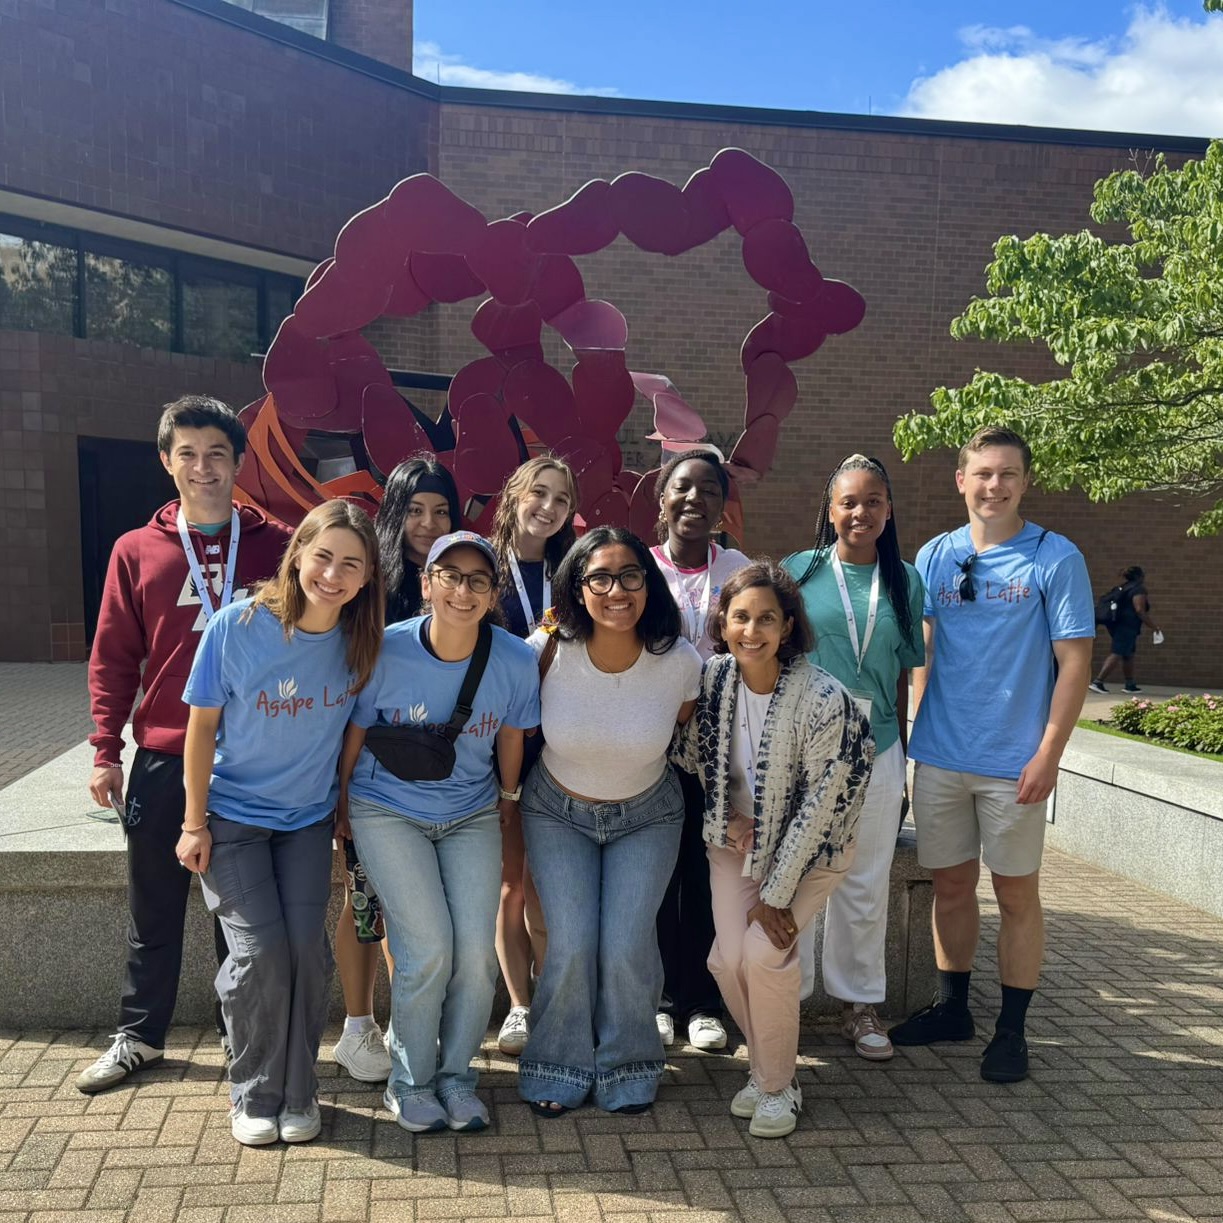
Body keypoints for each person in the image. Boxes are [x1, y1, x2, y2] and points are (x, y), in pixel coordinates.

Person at [78, 395, 290, 1095]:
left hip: (252, 757)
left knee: (245, 910)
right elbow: (112, 655)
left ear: (238, 462)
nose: (204, 467)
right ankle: (140, 1034)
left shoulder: (277, 544)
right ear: (166, 460)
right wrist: (106, 747)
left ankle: (245, 1035)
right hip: (167, 755)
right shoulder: (135, 551)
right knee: (156, 902)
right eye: (189, 454)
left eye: (218, 454)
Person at [889, 427, 1094, 1084]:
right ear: (960, 480)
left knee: (1014, 893)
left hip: (1014, 762)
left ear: (1024, 482)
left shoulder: (1054, 557)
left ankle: (1011, 1028)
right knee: (949, 885)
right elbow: (920, 646)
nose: (993, 485)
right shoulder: (934, 556)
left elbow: (1074, 663)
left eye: (1007, 473)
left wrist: (1049, 753)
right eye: (981, 473)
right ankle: (953, 1009)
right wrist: (921, 714)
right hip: (943, 755)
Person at [177, 499, 383, 1146]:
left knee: (305, 952)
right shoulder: (235, 627)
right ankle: (253, 1090)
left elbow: (353, 732)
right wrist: (192, 822)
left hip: (305, 821)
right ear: (298, 553)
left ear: (367, 576)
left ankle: (299, 1091)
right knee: (259, 950)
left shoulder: (360, 640)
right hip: (233, 819)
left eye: (351, 563)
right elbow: (201, 727)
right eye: (323, 555)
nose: (333, 573)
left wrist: (344, 807)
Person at [340, 531, 540, 1134]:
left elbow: (511, 733)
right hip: (385, 807)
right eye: (448, 575)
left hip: (471, 812)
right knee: (427, 948)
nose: (462, 589)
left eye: (478, 579)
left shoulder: (514, 658)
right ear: (425, 584)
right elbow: (355, 730)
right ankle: (409, 1082)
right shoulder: (386, 649)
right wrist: (340, 808)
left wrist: (507, 799)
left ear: (492, 593)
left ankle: (456, 1078)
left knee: (476, 955)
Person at [674, 560, 873, 1138]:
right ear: (723, 621)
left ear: (788, 627)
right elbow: (691, 754)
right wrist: (732, 818)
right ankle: (769, 1073)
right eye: (741, 617)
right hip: (734, 845)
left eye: (767, 619)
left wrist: (775, 894)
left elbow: (821, 807)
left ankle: (776, 1086)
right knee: (724, 960)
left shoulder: (821, 698)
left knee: (764, 953)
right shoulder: (713, 678)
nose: (752, 631)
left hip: (814, 852)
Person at [517, 527, 702, 1115]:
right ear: (577, 585)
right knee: (570, 942)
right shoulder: (545, 649)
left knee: (625, 945)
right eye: (599, 577)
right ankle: (557, 1063)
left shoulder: (679, 661)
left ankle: (629, 1063)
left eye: (630, 575)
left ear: (649, 584)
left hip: (648, 814)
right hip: (556, 812)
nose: (616, 590)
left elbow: (684, 727)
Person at [783, 455, 925, 1063]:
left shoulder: (906, 580)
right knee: (794, 876)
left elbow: (901, 674)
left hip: (882, 749)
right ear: (830, 509)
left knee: (864, 881)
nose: (859, 512)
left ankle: (859, 1002)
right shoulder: (798, 572)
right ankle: (786, 993)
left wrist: (908, 762)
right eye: (848, 501)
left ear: (888, 510)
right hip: (805, 754)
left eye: (872, 501)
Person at [331, 454, 464, 1083]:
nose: (428, 523)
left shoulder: (464, 579)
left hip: (442, 781)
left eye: (440, 511)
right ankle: (356, 1026)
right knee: (366, 902)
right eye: (415, 510)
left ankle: (403, 1024)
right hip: (372, 770)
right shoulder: (368, 585)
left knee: (419, 908)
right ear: (393, 513)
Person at [649, 449, 749, 1053]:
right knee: (660, 874)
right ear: (662, 499)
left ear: (721, 507)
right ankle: (663, 999)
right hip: (652, 746)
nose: (694, 500)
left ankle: (704, 1003)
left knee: (706, 874)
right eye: (682, 488)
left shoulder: (738, 567)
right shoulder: (638, 565)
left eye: (708, 491)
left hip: (719, 751)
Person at [487, 456, 578, 1058]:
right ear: (514, 495)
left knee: (546, 888)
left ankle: (551, 1000)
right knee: (509, 887)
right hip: (497, 741)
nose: (547, 507)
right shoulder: (482, 567)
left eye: (561, 499)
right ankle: (519, 1006)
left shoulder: (572, 570)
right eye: (537, 493)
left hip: (562, 743)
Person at [1090, 566, 1162, 694]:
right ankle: (1098, 682)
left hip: (1118, 625)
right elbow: (1139, 610)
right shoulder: (1138, 589)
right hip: (1127, 626)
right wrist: (1154, 627)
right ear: (1140, 576)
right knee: (1117, 652)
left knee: (1128, 654)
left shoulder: (1124, 587)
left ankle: (1130, 684)